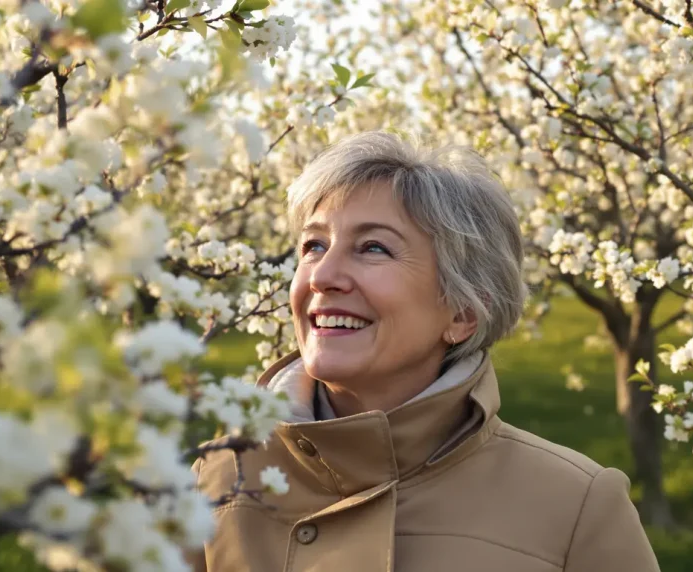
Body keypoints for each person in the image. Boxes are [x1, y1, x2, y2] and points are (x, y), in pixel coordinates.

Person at [190, 131, 660, 571]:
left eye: (373, 248)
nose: (322, 275)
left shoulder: (576, 507)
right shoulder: (220, 477)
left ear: (462, 312)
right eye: (314, 244)